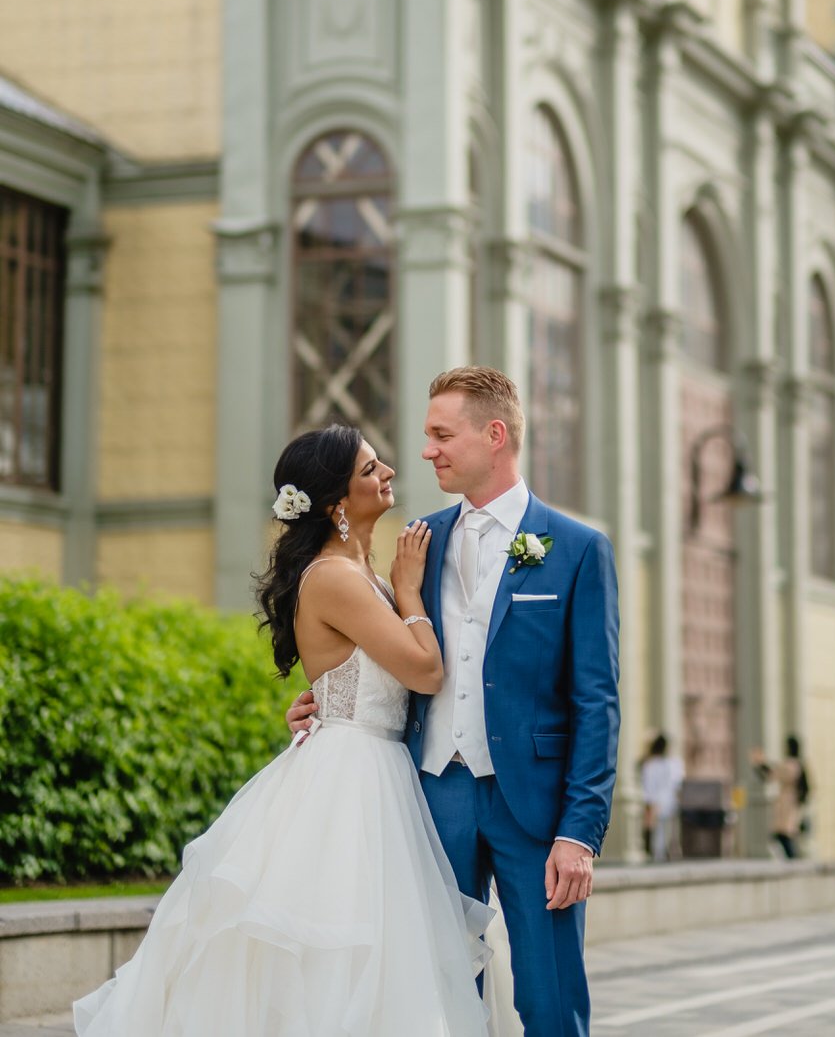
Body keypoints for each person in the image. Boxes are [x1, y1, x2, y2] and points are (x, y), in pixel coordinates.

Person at [74, 425, 493, 1037]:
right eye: (370, 469)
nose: (389, 474)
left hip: (375, 768)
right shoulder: (336, 578)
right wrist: (409, 592)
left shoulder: (357, 573)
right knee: (338, 957)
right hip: (349, 782)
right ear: (336, 505)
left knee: (378, 959)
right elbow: (426, 672)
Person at [288, 366, 621, 1037]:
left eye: (442, 434)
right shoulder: (418, 543)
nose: (426, 451)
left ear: (493, 435)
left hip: (536, 810)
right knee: (435, 999)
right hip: (429, 801)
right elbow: (372, 652)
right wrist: (323, 702)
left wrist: (579, 833)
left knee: (551, 1002)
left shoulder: (579, 550)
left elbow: (597, 701)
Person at [749, 735, 809, 859]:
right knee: (786, 830)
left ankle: (793, 857)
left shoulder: (789, 765)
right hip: (792, 800)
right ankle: (792, 856)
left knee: (783, 831)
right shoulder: (799, 765)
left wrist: (759, 763)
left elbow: (771, 774)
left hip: (786, 801)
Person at [640, 733, 684, 862]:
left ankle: (660, 855)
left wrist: (650, 804)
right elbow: (678, 783)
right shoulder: (674, 763)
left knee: (659, 832)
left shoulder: (650, 765)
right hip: (670, 801)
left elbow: (648, 786)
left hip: (658, 802)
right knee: (670, 830)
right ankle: (671, 853)